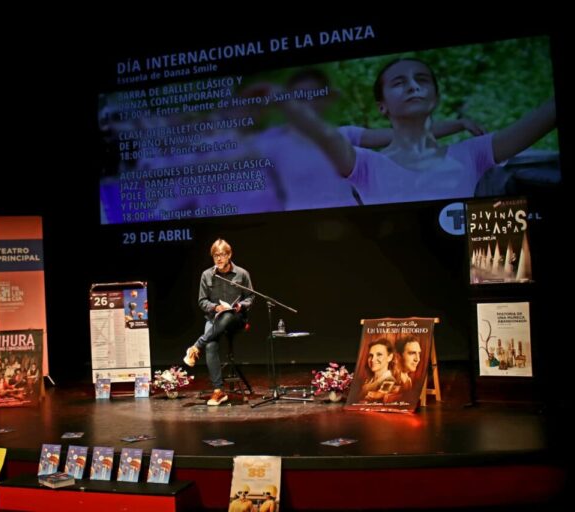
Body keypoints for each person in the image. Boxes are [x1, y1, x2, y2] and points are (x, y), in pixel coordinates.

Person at [279, 58, 556, 205]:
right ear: (382, 106)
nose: (413, 86)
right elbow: (325, 136)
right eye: (399, 82)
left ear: (435, 96)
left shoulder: (473, 152)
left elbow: (542, 118)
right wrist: (284, 99)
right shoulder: (364, 163)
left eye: (422, 79)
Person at [183, 239, 254, 406]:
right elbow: (202, 301)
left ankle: (196, 346)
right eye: (216, 256)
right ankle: (218, 391)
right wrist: (215, 308)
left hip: (236, 318)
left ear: (229, 255)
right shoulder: (207, 275)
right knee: (210, 345)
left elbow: (250, 297)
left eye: (222, 255)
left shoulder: (241, 274)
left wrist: (240, 306)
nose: (219, 259)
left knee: (227, 315)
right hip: (214, 318)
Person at [359, 338, 396, 402]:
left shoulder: (389, 380)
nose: (373, 360)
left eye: (379, 355)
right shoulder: (368, 380)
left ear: (389, 357)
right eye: (371, 355)